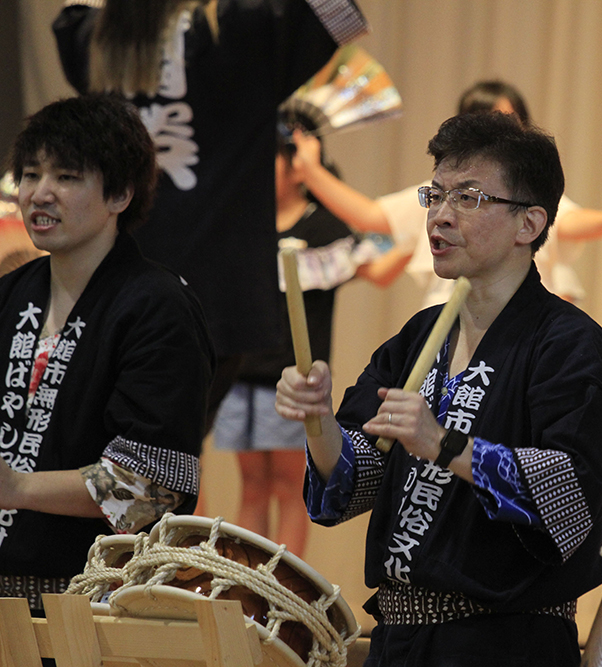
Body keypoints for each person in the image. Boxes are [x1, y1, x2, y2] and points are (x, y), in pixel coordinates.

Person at [275, 111, 602, 666]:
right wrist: (317, 420)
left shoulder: (569, 344)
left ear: (529, 224)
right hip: (398, 640)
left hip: (505, 643)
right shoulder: (416, 338)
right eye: (434, 195)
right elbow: (353, 482)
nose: (439, 216)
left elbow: (570, 498)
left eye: (468, 198)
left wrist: (445, 444)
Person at [52, 0, 369, 425]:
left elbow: (72, 16)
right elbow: (339, 13)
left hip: (111, 287)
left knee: (118, 448)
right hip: (219, 296)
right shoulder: (241, 28)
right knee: (166, 457)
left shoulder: (99, 35)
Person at [0, 94, 215, 610]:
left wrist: (16, 488)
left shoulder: (157, 306)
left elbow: (151, 488)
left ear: (119, 194)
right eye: (30, 175)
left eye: (67, 177)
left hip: (94, 604)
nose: (40, 194)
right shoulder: (11, 294)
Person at [212, 109, 408, 556]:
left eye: (271, 159)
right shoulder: (246, 224)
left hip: (294, 381)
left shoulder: (323, 224)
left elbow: (376, 265)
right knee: (252, 487)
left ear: (295, 162)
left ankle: (283, 595)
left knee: (289, 487)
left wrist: (413, 243)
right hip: (240, 372)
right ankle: (247, 594)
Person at [292, 79, 602, 306]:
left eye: (512, 123)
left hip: (512, 320)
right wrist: (312, 171)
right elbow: (370, 216)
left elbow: (568, 221)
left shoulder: (525, 191)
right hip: (450, 316)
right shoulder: (441, 192)